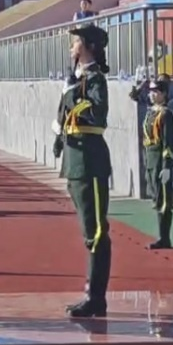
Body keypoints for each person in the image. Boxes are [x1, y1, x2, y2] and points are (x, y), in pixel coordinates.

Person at [51, 23, 112, 318]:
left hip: (90, 159)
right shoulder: (76, 79)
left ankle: (95, 297)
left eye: (76, 42)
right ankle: (92, 295)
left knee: (96, 231)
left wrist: (72, 95)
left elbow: (97, 114)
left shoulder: (96, 79)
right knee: (89, 230)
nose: (71, 46)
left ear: (88, 46)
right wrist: (58, 138)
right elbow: (66, 116)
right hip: (75, 159)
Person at [141, 79, 173, 250]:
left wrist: (166, 166)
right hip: (150, 157)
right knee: (156, 197)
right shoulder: (151, 112)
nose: (152, 94)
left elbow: (168, 142)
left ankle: (164, 237)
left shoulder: (166, 114)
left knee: (163, 200)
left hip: (160, 158)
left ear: (163, 94)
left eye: (156, 91)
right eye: (151, 91)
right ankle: (162, 235)